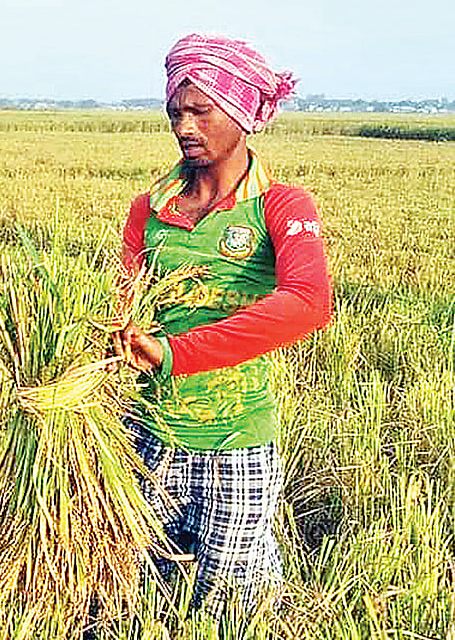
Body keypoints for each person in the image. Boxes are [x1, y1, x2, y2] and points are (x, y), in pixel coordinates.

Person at [113, 34, 333, 624]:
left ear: (241, 113)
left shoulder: (281, 206)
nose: (184, 127)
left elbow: (308, 302)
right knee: (140, 591)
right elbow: (123, 306)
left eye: (201, 111)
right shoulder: (149, 209)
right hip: (145, 439)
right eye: (175, 113)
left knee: (233, 603)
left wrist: (174, 353)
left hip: (236, 442)